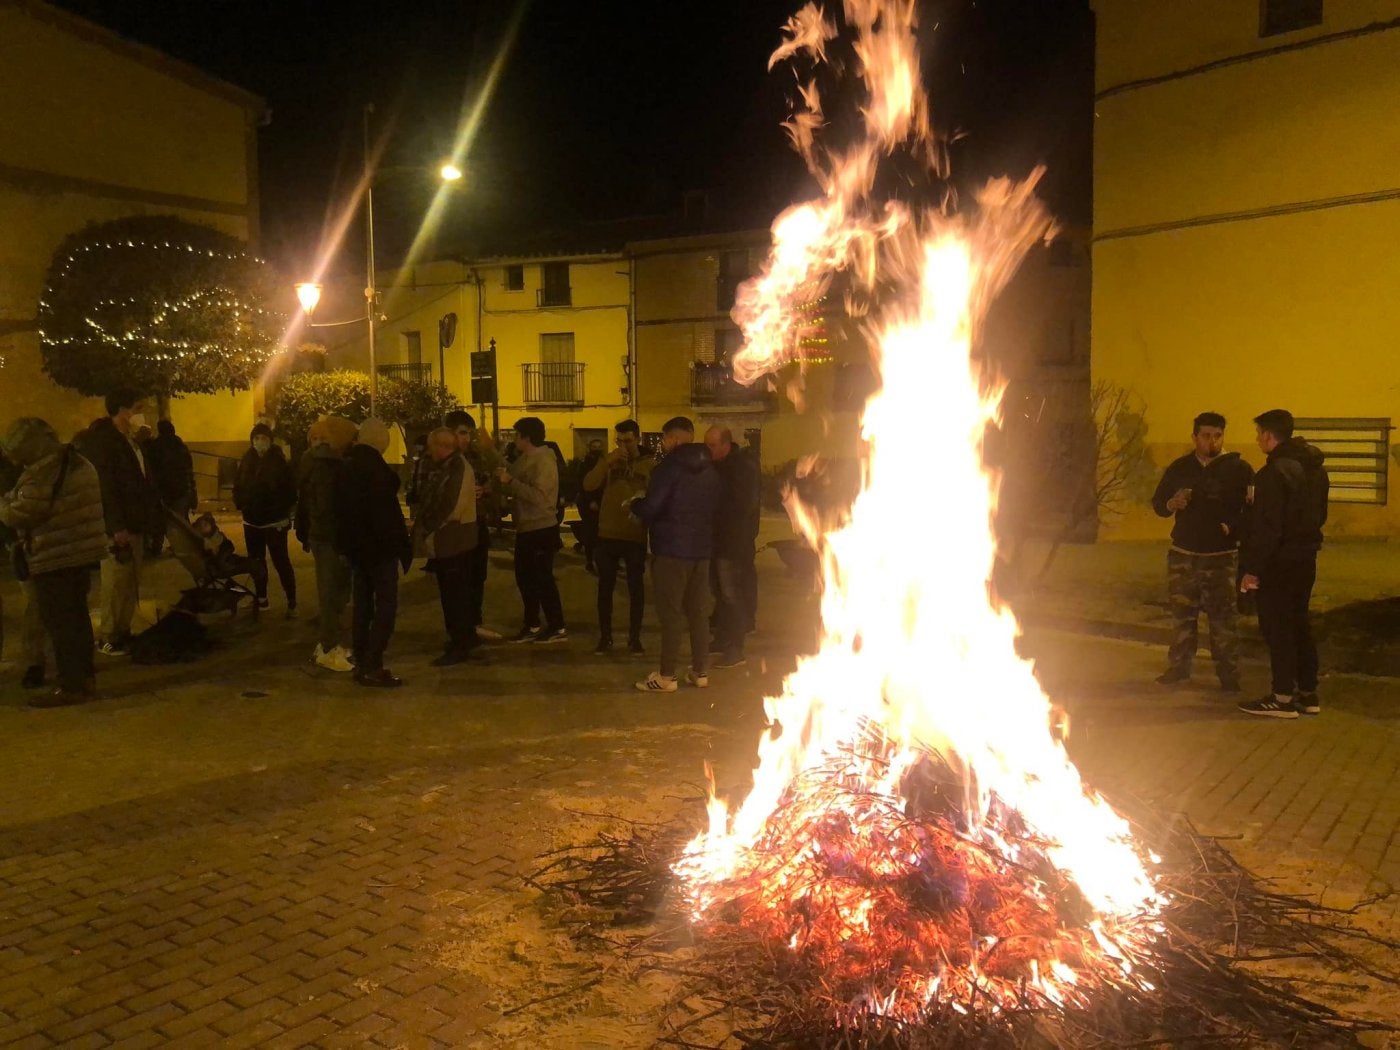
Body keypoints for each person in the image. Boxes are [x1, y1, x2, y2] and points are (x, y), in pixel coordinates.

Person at [0, 418, 109, 707]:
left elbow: (21, 512)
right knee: (77, 620)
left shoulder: (45, 470)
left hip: (55, 555)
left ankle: (72, 685)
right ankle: (84, 680)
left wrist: (4, 504)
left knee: (61, 624)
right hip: (77, 553)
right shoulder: (76, 462)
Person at [1149, 412, 1254, 692]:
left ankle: (1228, 674)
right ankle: (1179, 667)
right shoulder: (1180, 468)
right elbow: (1158, 505)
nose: (1212, 441)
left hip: (1220, 557)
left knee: (1223, 619)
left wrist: (1231, 526)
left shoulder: (1238, 469)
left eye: (1217, 435)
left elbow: (1252, 510)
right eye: (1206, 435)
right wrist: (1172, 503)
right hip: (1183, 554)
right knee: (1183, 616)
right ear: (1194, 437)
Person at [1238, 410, 1329, 719]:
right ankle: (1308, 693)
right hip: (1306, 559)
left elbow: (1268, 528)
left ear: (1268, 436)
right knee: (1299, 622)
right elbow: (1320, 515)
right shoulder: (1316, 470)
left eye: (1258, 434)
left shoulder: (1272, 474)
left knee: (1278, 629)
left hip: (1278, 563)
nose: (1257, 440)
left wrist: (1252, 570)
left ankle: (1282, 698)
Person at [631, 416, 721, 692]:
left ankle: (666, 676)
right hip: (702, 549)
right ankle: (700, 671)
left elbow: (653, 506)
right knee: (698, 612)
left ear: (672, 438)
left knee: (671, 614)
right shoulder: (712, 468)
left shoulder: (668, 468)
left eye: (665, 439)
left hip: (671, 549)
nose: (664, 443)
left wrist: (636, 504)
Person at [73, 388, 159, 656]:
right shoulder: (105, 442)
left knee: (129, 581)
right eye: (135, 408)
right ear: (121, 410)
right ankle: (109, 635)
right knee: (115, 580)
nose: (138, 415)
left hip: (135, 521)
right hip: (119, 526)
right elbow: (106, 488)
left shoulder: (128, 440)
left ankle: (122, 630)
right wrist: (116, 526)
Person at [334, 417, 412, 687]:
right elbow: (385, 515)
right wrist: (400, 545)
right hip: (379, 550)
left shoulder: (347, 467)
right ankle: (373, 663)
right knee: (385, 605)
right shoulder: (376, 470)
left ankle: (361, 658)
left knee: (363, 606)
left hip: (358, 550)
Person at [583, 420, 654, 655]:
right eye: (619, 440)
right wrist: (606, 463)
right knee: (605, 588)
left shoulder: (649, 464)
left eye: (628, 440)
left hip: (634, 535)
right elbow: (588, 484)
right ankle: (605, 638)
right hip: (608, 534)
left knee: (636, 589)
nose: (623, 444)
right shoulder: (609, 462)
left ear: (637, 438)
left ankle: (634, 639)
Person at [414, 427, 482, 666]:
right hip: (452, 538)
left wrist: (430, 526)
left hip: (455, 538)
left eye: (437, 445)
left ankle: (460, 644)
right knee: (453, 594)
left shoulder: (456, 468)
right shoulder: (447, 467)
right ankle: (461, 639)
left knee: (455, 596)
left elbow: (451, 505)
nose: (433, 450)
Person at [496, 416, 567, 644]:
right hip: (527, 528)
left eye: (516, 435)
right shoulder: (527, 458)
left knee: (542, 579)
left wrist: (511, 484)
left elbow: (542, 498)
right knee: (526, 579)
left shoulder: (544, 460)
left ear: (526, 437)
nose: (514, 439)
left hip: (541, 528)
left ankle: (556, 626)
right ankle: (532, 624)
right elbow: (509, 472)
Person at [295, 414, 357, 671]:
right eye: (315, 438)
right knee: (330, 591)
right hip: (328, 537)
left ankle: (330, 641)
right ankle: (328, 647)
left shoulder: (323, 463)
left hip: (324, 536)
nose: (318, 442)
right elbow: (323, 506)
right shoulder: (324, 464)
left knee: (337, 589)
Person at [705, 425, 761, 669]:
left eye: (712, 445)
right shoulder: (720, 466)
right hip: (718, 542)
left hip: (732, 543)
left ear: (726, 445)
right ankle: (723, 639)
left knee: (731, 595)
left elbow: (741, 507)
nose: (708, 450)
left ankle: (735, 648)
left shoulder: (740, 469)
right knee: (721, 594)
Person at [445, 410, 502, 642]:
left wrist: (486, 489)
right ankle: (459, 632)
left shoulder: (475, 458)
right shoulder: (443, 459)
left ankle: (474, 624)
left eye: (469, 434)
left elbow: (492, 483)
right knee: (458, 581)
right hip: (456, 529)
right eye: (461, 433)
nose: (466, 439)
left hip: (477, 524)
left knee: (477, 577)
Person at [233, 423, 298, 615]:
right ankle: (262, 598)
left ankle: (291, 599)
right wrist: (241, 504)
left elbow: (289, 491)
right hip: (252, 522)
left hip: (274, 522)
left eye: (264, 439)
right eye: (256, 439)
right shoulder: (246, 461)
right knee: (257, 562)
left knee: (281, 561)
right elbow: (239, 485)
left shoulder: (279, 462)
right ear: (252, 441)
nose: (260, 442)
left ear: (270, 441)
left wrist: (282, 513)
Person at [144, 419, 196, 555]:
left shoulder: (155, 447)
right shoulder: (181, 446)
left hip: (163, 490)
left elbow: (151, 469)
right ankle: (185, 546)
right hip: (181, 489)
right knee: (181, 521)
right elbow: (189, 469)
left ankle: (156, 547)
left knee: (160, 520)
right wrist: (192, 490)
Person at [576, 438, 606, 573]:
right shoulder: (585, 464)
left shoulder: (604, 462)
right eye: (595, 446)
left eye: (599, 446)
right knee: (591, 532)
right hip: (588, 502)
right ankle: (590, 561)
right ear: (589, 448)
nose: (597, 449)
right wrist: (590, 501)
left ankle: (604, 560)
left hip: (601, 501)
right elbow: (582, 483)